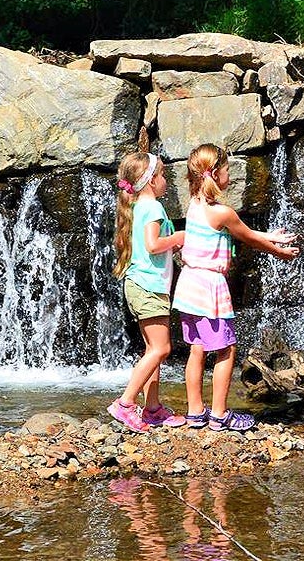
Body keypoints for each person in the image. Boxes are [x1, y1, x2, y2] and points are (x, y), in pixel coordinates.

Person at [173, 143, 299, 432]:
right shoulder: (222, 212)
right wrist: (277, 251)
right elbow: (247, 237)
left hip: (188, 286)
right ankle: (219, 415)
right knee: (226, 350)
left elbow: (241, 229)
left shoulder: (195, 203)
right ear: (217, 173)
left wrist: (271, 235)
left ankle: (195, 412)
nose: (230, 175)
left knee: (196, 349)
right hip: (210, 290)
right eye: (228, 170)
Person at [108, 151, 187, 433]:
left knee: (153, 350)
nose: (166, 180)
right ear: (151, 180)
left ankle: (152, 409)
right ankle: (125, 403)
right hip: (149, 287)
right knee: (162, 348)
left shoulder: (137, 207)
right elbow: (153, 245)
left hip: (140, 285)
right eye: (162, 175)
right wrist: (177, 238)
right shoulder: (153, 208)